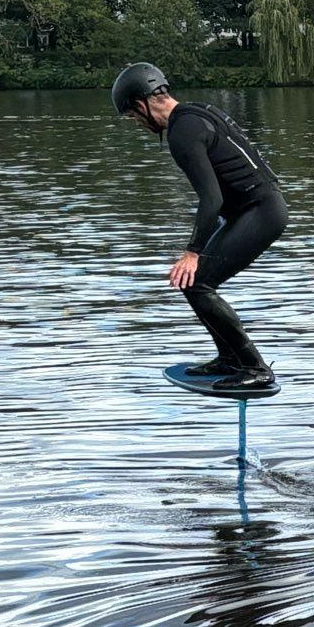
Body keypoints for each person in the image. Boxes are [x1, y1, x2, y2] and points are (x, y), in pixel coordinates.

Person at [112, 63, 288, 392]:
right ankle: (229, 359)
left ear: (142, 103)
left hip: (261, 211)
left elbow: (211, 199)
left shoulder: (182, 132)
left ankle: (254, 367)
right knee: (196, 283)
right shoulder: (196, 112)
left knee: (197, 282)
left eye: (134, 117)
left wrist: (193, 252)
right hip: (255, 208)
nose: (138, 124)